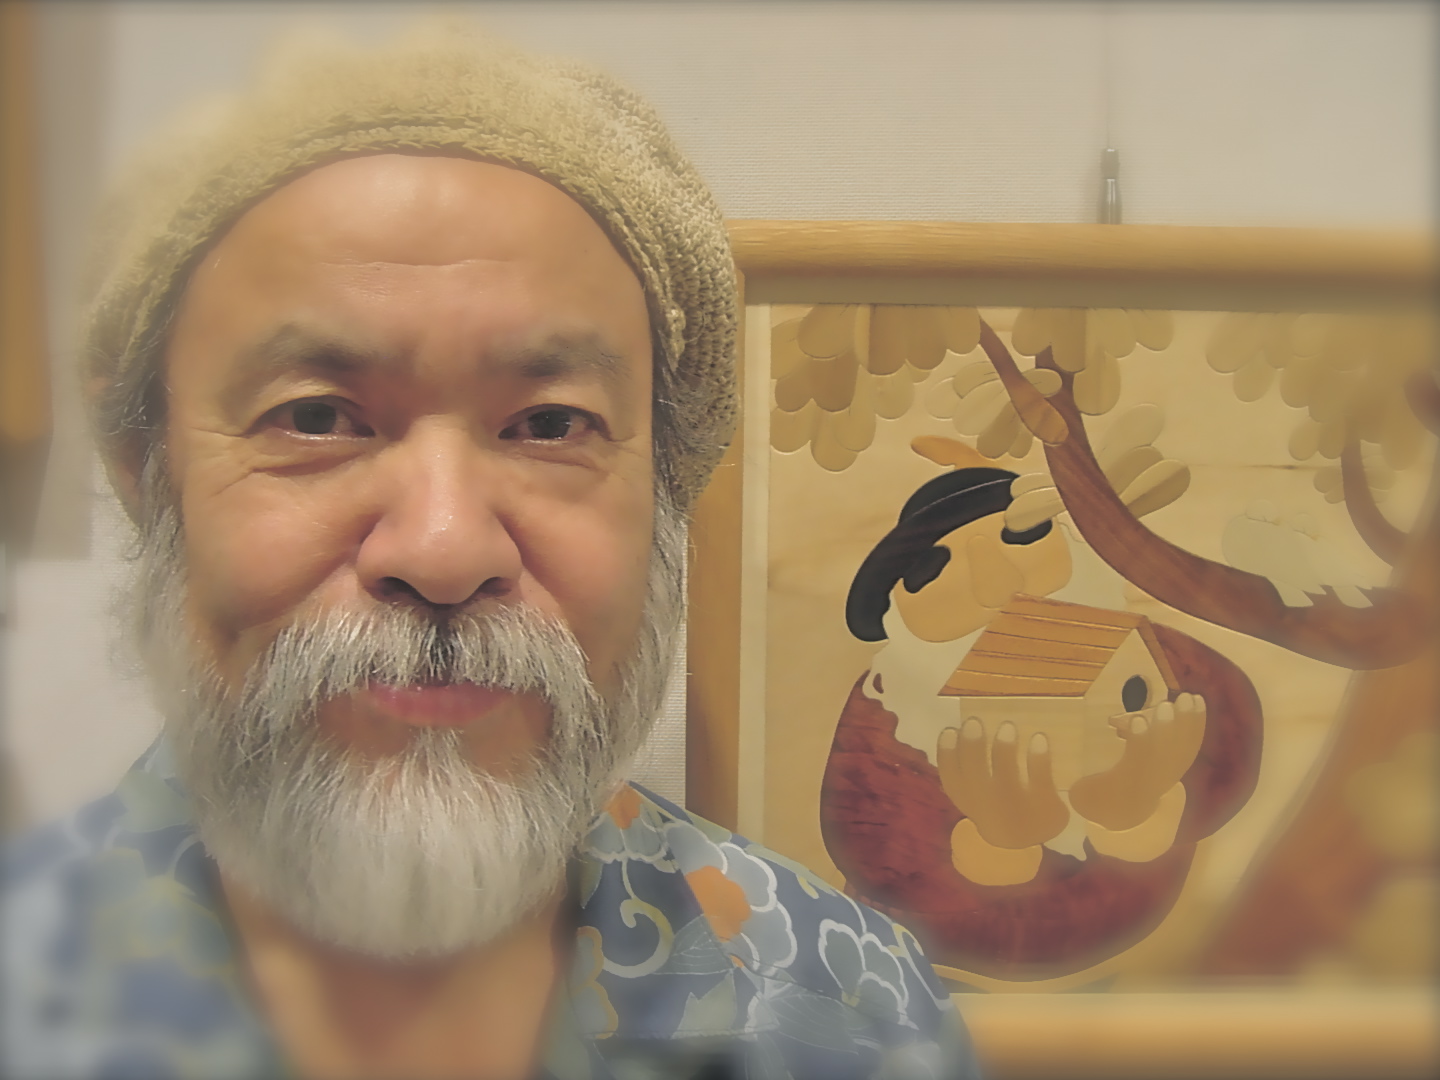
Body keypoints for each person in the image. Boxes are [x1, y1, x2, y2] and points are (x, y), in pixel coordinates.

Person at [2, 23, 981, 1080]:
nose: (444, 550)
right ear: (147, 470)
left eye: (550, 425)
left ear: (664, 484)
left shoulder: (849, 1012)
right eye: (317, 417)